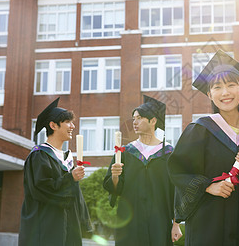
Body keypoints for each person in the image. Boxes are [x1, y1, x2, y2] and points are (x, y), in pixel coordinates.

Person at [167, 50, 239, 246]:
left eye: (231, 85)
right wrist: (208, 186)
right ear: (209, 94)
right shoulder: (200, 130)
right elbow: (177, 172)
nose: (225, 92)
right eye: (217, 87)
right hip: (206, 225)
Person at [103, 95, 182, 246]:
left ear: (153, 121)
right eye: (133, 119)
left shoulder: (168, 153)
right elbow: (115, 190)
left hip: (159, 222)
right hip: (129, 222)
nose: (135, 122)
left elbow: (176, 191)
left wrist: (176, 223)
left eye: (139, 118)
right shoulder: (125, 151)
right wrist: (114, 176)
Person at [19, 97, 92, 246]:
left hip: (68, 226)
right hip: (45, 228)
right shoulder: (39, 155)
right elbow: (41, 189)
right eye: (67, 122)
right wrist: (70, 178)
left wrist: (84, 221)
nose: (72, 126)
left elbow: (75, 193)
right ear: (53, 125)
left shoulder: (66, 157)